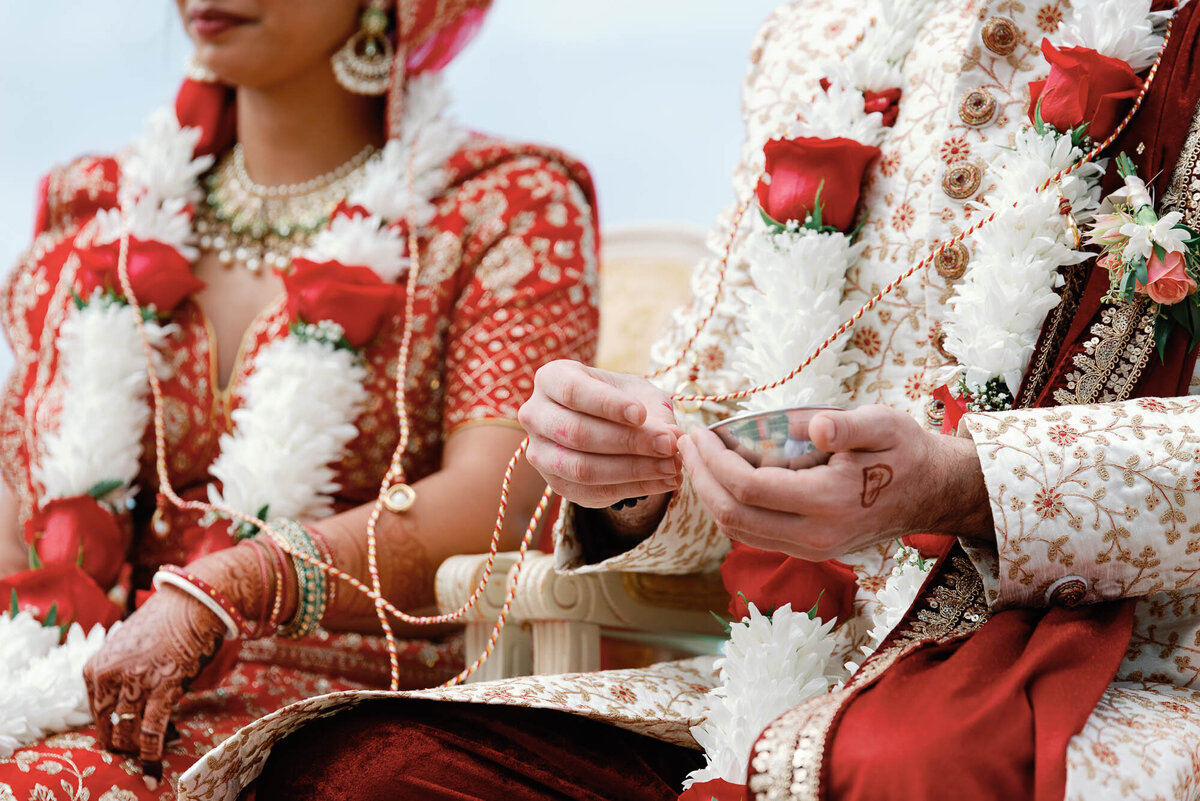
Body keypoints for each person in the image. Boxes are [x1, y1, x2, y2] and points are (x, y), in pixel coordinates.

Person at [178, 1, 1200, 800]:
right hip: (783, 679)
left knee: (896, 766)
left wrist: (958, 483)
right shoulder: (822, 43)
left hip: (1132, 673)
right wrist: (627, 473)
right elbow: (722, 392)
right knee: (363, 773)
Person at [0, 0, 599, 797]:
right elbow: (20, 504)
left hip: (351, 699)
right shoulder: (104, 210)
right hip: (79, 668)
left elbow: (500, 501)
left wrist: (233, 586)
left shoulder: (499, 208)